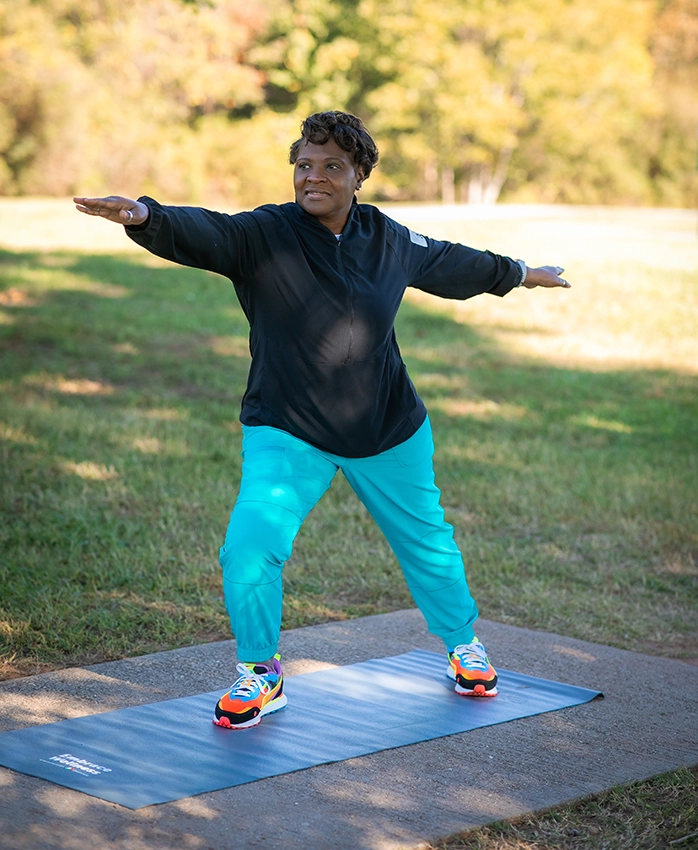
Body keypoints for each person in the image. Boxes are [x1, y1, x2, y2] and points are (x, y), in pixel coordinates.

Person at [75, 110, 570, 730]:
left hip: (387, 426)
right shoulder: (266, 234)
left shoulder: (388, 239)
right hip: (289, 426)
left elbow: (451, 262)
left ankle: (463, 645)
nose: (314, 177)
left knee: (428, 544)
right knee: (249, 547)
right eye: (304, 165)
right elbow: (210, 231)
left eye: (331, 166)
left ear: (360, 174)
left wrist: (522, 274)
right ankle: (261, 672)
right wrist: (147, 217)